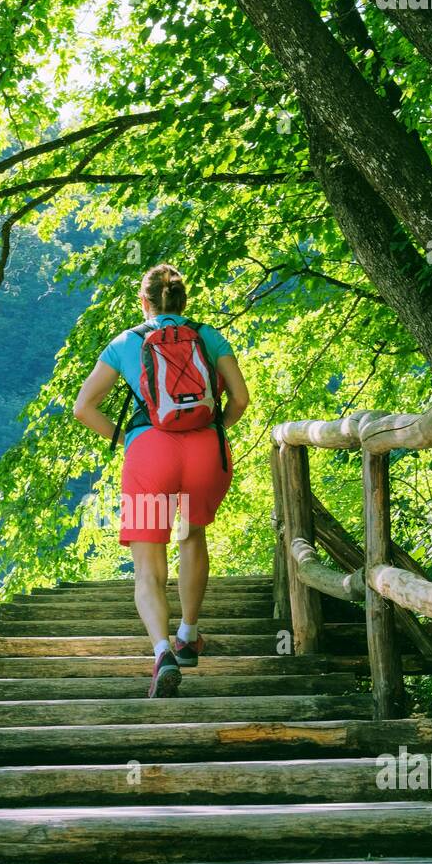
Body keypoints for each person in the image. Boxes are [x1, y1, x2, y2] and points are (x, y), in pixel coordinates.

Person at [74, 263, 250, 696]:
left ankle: (161, 652)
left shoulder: (125, 342)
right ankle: (188, 635)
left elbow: (83, 408)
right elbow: (241, 399)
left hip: (150, 455)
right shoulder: (208, 335)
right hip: (204, 451)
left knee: (148, 563)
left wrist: (126, 436)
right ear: (183, 300)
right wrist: (215, 430)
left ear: (144, 301)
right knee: (191, 535)